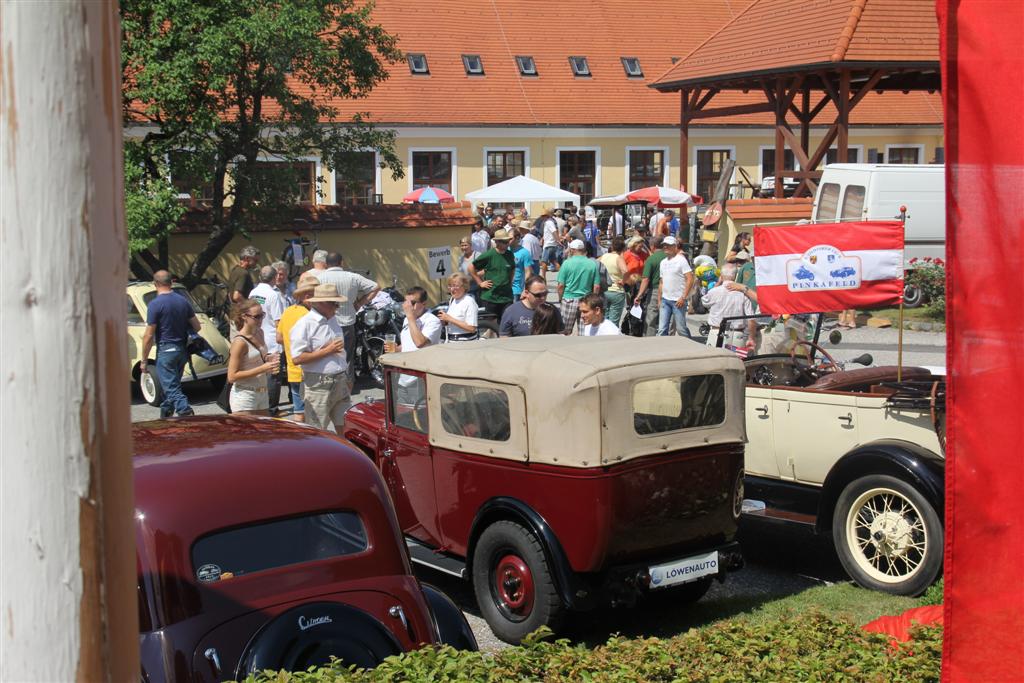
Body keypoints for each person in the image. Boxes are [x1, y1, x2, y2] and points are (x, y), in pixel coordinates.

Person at [140, 270, 202, 418]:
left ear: (155, 284)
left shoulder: (155, 305)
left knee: (172, 389)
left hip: (166, 351)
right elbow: (197, 327)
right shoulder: (183, 301)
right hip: (181, 350)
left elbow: (149, 335)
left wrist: (144, 360)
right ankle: (165, 416)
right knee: (172, 386)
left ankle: (186, 411)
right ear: (171, 282)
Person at [289, 283, 350, 433]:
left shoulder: (332, 319)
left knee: (347, 429)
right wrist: (327, 351)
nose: (337, 307)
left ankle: (344, 456)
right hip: (318, 384)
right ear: (319, 303)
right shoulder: (304, 324)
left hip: (340, 381)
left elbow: (339, 351)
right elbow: (296, 358)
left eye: (337, 303)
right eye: (334, 303)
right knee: (317, 432)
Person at [314, 251, 380, 388]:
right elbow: (375, 287)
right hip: (347, 322)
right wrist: (359, 303)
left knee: (327, 355)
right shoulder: (352, 277)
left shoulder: (319, 278)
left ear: (326, 264)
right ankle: (347, 386)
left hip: (327, 322)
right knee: (347, 357)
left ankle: (329, 385)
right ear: (341, 262)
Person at [276, 275, 319, 422]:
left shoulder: (288, 311)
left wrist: (291, 344)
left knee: (298, 412)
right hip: (307, 371)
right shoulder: (308, 315)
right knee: (311, 414)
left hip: (293, 369)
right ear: (307, 296)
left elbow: (279, 338)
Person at [226, 298, 279, 416]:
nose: (261, 319)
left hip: (262, 393)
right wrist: (263, 368)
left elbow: (258, 357)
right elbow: (232, 376)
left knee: (263, 433)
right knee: (246, 434)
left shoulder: (260, 332)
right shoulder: (239, 342)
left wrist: (268, 358)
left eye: (262, 315)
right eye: (257, 316)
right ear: (244, 317)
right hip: (245, 395)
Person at [249, 265, 287, 415]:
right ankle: (272, 409)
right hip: (272, 341)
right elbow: (278, 321)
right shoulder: (273, 295)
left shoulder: (253, 293)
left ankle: (260, 405)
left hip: (257, 337)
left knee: (260, 375)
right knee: (274, 377)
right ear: (274, 278)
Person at [702, 264, 757, 348]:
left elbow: (705, 302)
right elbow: (751, 319)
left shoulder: (714, 292)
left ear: (721, 276)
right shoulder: (743, 294)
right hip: (737, 335)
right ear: (735, 276)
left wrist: (718, 283)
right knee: (736, 360)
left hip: (716, 333)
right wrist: (751, 338)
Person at [469, 228, 516, 319]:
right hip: (491, 296)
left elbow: (512, 269)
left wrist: (510, 283)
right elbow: (471, 267)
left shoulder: (510, 254)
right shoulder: (489, 255)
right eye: (504, 242)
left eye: (508, 241)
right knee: (491, 325)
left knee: (507, 321)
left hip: (506, 297)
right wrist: (480, 283)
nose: (507, 244)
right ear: (497, 242)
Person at [557, 239, 600, 335]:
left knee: (564, 331)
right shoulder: (592, 264)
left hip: (569, 299)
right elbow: (596, 286)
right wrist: (593, 299)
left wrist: (560, 298)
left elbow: (560, 285)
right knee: (584, 332)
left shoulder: (567, 263)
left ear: (572, 250)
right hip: (585, 300)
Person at [658, 236, 695, 338]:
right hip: (665, 299)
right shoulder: (663, 262)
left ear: (675, 247)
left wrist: (683, 297)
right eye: (664, 245)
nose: (666, 247)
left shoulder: (681, 260)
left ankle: (690, 345)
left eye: (668, 245)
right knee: (662, 329)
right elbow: (661, 282)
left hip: (678, 300)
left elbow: (690, 278)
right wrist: (659, 299)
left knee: (681, 328)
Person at [390, 286, 443, 352]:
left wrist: (410, 318)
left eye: (412, 303)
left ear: (424, 304)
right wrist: (397, 349)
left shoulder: (433, 321)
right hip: (406, 360)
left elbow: (420, 343)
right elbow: (408, 344)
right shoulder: (407, 319)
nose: (408, 306)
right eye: (406, 302)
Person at [634, 236, 668, 336]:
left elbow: (645, 280)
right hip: (670, 289)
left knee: (651, 317)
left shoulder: (651, 259)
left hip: (655, 290)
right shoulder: (670, 256)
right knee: (668, 315)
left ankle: (650, 338)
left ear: (652, 246)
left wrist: (639, 295)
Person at [598, 237, 629, 327]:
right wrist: (623, 281)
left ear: (612, 246)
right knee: (614, 321)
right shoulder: (618, 258)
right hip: (616, 290)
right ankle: (612, 338)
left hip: (604, 290)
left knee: (604, 319)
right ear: (623, 248)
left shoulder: (603, 256)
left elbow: (594, 264)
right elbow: (625, 271)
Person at [438, 273, 479, 341]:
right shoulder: (453, 300)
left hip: (465, 342)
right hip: (451, 340)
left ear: (464, 286)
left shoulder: (469, 301)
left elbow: (471, 328)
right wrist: (445, 321)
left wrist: (450, 319)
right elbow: (454, 322)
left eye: (455, 286)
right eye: (450, 286)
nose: (452, 289)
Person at [510, 230, 535, 298]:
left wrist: (525, 289)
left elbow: (528, 272)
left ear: (517, 238)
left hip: (516, 290)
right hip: (505, 289)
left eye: (510, 238)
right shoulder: (506, 251)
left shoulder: (524, 252)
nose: (508, 240)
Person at [539, 208, 560, 275]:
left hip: (549, 244)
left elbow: (554, 231)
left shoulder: (549, 222)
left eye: (543, 216)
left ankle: (543, 277)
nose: (542, 217)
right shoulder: (550, 222)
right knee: (553, 261)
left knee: (544, 262)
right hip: (551, 244)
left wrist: (558, 240)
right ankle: (562, 274)